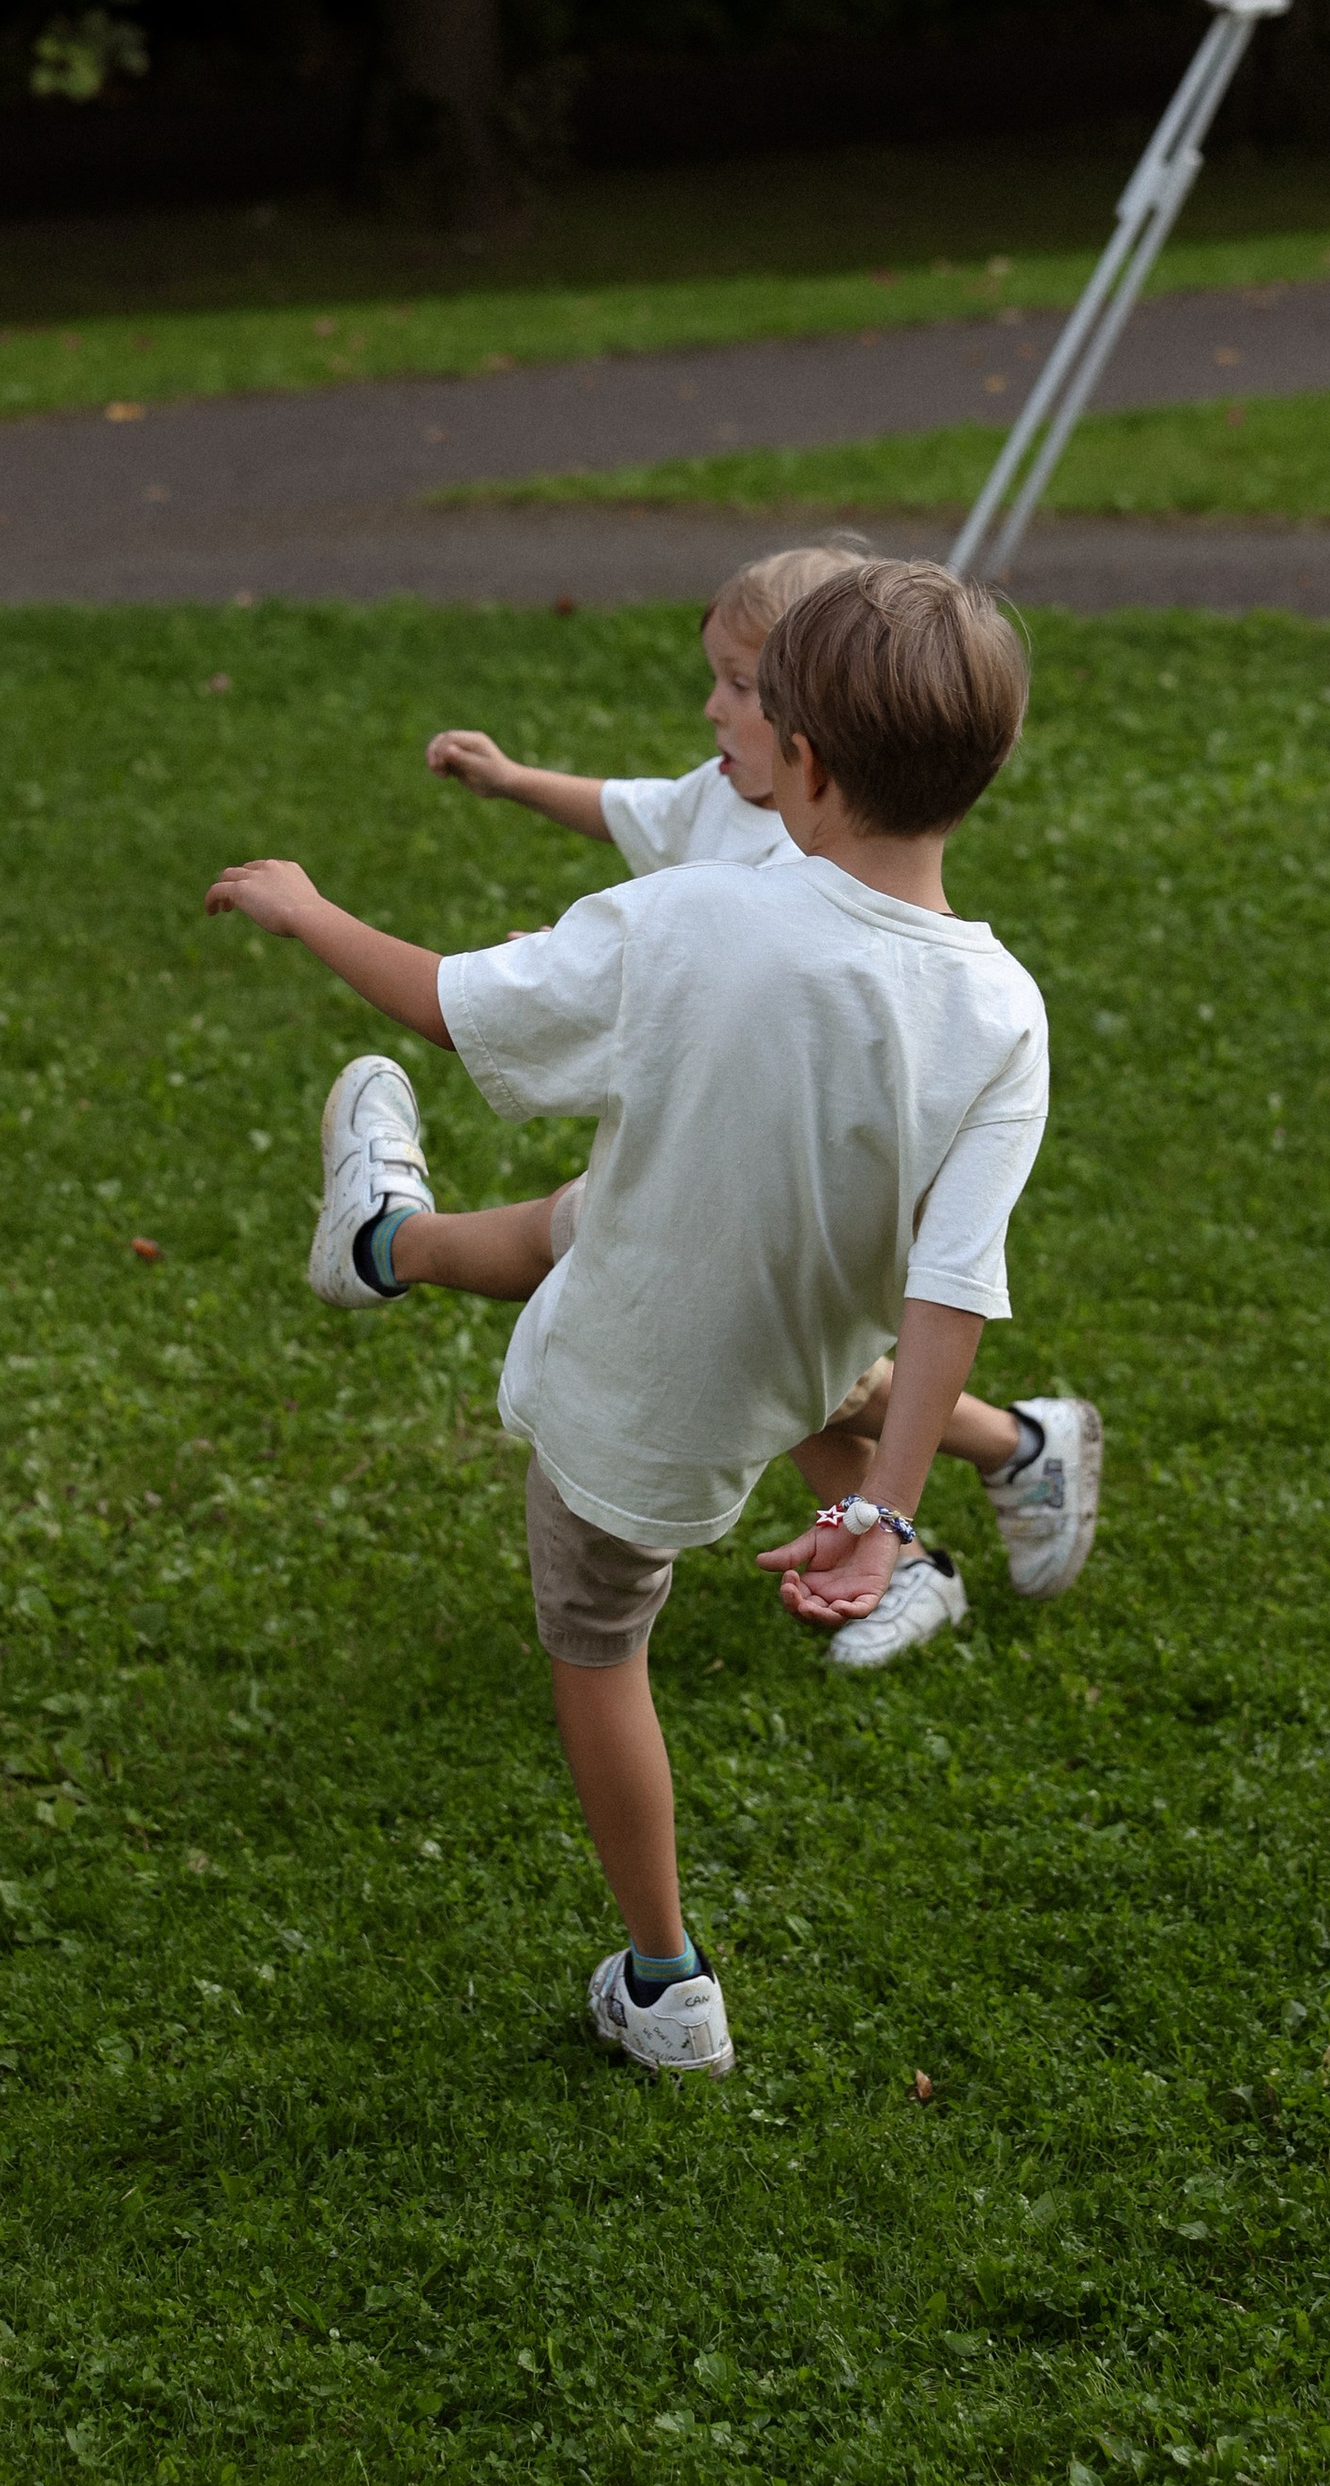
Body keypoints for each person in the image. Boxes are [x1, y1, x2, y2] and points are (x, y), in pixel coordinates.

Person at [205, 556, 1054, 2076]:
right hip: (789, 1360)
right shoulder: (1004, 1012)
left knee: (600, 1647)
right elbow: (949, 1290)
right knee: (579, 1218)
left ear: (800, 762)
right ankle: (387, 1241)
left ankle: (664, 1983)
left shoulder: (691, 920)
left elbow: (453, 1002)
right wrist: (889, 1515)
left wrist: (309, 909)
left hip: (646, 1386)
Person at [414, 538, 1098, 1655]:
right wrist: (528, 826)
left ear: (807, 742)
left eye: (746, 686)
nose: (719, 709)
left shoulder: (812, 882)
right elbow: (644, 841)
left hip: (755, 1175)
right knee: (746, 1331)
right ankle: (992, 1466)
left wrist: (332, 923)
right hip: (718, 1162)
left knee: (762, 1340)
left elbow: (734, 970)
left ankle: (951, 1505)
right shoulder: (739, 813)